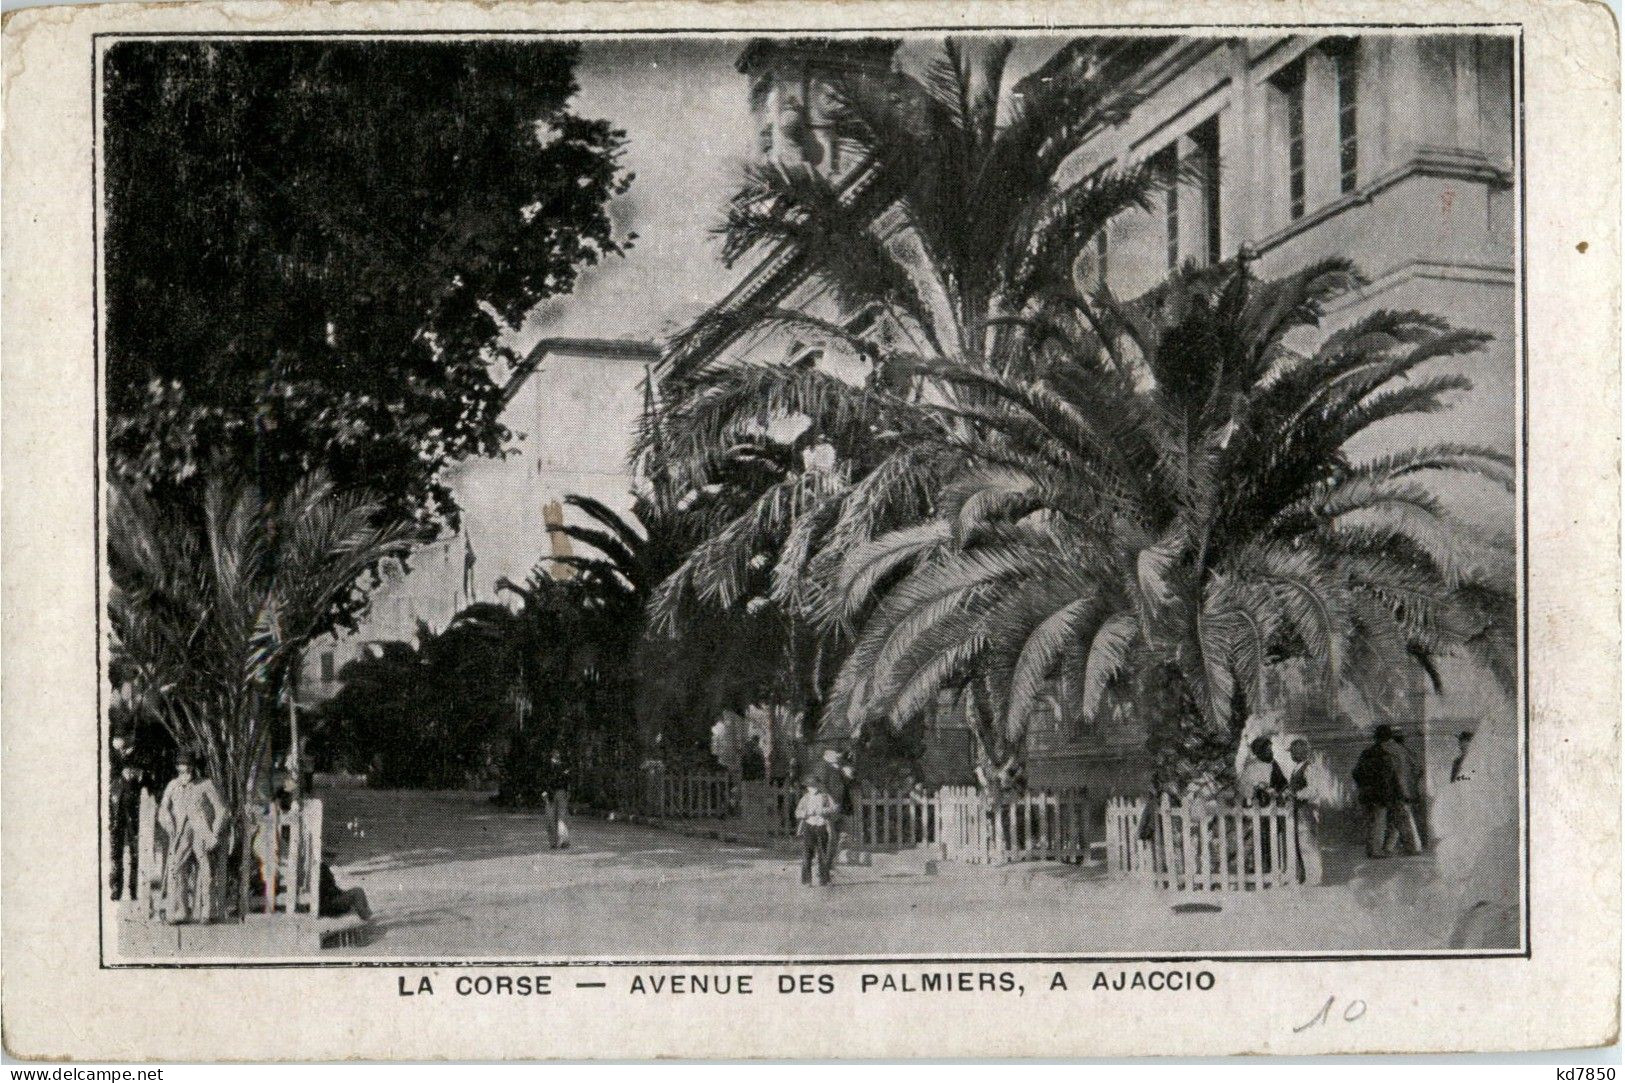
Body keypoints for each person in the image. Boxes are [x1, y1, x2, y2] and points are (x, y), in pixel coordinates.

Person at [155, 751, 225, 923]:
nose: (184, 775)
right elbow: (163, 809)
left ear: (193, 769)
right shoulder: (172, 785)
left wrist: (214, 833)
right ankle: (181, 910)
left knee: (206, 870)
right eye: (180, 771)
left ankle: (206, 912)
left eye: (187, 771)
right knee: (175, 868)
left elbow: (222, 810)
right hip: (181, 833)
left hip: (202, 832)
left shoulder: (206, 785)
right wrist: (168, 823)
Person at [1352, 725, 1422, 859]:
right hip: (1394, 791)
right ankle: (1411, 847)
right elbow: (1401, 773)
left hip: (1376, 793)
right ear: (1390, 737)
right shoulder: (1398, 751)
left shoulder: (1367, 753)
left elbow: (1356, 773)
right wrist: (1406, 791)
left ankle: (1376, 850)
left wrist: (1365, 786)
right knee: (1402, 819)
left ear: (1376, 738)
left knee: (1378, 821)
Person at [1285, 736, 1328, 885]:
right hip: (1299, 809)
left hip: (1306, 809)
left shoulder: (1309, 768)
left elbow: (1313, 789)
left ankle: (1314, 877)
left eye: (1293, 752)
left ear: (1300, 752)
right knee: (1301, 843)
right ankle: (1305, 876)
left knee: (1308, 843)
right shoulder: (1297, 768)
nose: (1291, 755)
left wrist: (1296, 794)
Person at [108, 736, 148, 901]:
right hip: (117, 822)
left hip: (135, 822)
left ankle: (133, 890)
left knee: (135, 855)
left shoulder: (140, 784)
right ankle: (116, 890)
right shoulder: (114, 784)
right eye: (128, 769)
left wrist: (142, 776)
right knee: (115, 856)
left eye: (134, 770)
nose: (131, 772)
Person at [819, 748, 856, 881]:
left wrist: (848, 776)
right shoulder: (826, 770)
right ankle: (825, 870)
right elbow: (823, 788)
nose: (837, 758)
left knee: (844, 836)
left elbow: (848, 785)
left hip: (843, 808)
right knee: (833, 839)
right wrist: (828, 803)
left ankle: (828, 867)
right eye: (835, 756)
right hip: (832, 808)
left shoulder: (841, 769)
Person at [794, 775, 837, 886]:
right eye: (810, 786)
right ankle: (807, 880)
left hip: (822, 826)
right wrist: (807, 813)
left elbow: (834, 808)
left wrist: (823, 811)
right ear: (807, 787)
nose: (813, 788)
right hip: (809, 826)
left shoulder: (825, 797)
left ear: (819, 786)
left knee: (823, 854)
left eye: (815, 786)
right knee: (807, 854)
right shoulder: (805, 798)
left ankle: (824, 880)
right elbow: (797, 812)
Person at [1238, 735, 1288, 805]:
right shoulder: (1251, 767)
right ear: (1259, 752)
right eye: (1267, 749)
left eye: (1271, 749)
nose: (1271, 752)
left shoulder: (1273, 764)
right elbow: (1242, 787)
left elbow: (1283, 783)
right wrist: (1257, 786)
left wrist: (1276, 791)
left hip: (1273, 804)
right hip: (1254, 805)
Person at [546, 749, 572, 850]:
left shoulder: (563, 766)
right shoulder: (547, 766)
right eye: (555, 754)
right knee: (551, 819)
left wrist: (568, 792)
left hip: (561, 792)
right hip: (550, 793)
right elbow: (542, 780)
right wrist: (544, 794)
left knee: (561, 818)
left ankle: (563, 841)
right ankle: (554, 842)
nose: (556, 756)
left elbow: (567, 780)